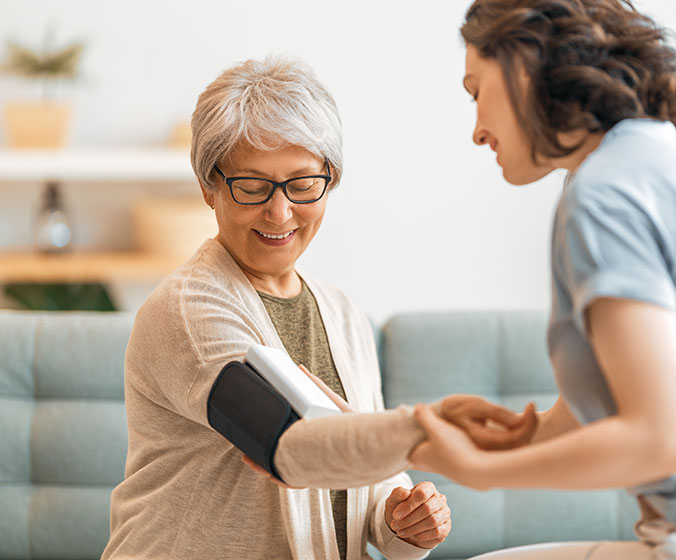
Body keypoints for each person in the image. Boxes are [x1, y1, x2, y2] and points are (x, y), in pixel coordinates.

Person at [408, 1, 676, 558]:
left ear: (523, 65)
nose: (475, 130)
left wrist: (483, 468)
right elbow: (624, 408)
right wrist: (517, 432)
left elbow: (663, 440)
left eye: (475, 91)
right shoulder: (668, 166)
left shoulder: (605, 194)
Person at [102, 55, 452, 560]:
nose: (280, 211)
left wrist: (400, 519)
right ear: (208, 185)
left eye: (302, 183)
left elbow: (361, 469)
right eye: (252, 186)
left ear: (330, 179)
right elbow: (294, 447)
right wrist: (440, 429)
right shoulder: (187, 311)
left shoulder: (343, 311)